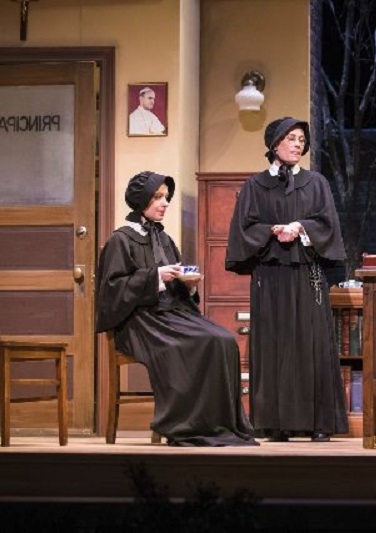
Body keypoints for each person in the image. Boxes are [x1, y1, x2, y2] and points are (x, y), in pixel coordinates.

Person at [96, 171, 257, 447]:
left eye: (167, 197)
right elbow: (112, 291)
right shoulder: (120, 240)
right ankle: (186, 426)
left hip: (172, 314)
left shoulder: (165, 239)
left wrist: (189, 286)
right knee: (192, 344)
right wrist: (155, 277)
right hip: (140, 320)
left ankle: (217, 424)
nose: (165, 203)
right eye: (158, 197)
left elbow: (178, 287)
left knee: (223, 340)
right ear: (142, 199)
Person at [225, 116, 349, 442]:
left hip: (308, 273)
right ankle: (275, 424)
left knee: (312, 345)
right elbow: (244, 229)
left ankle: (318, 423)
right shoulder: (255, 186)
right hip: (270, 275)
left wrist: (301, 227)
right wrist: (271, 230)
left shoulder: (316, 183)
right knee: (274, 345)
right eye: (291, 138)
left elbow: (328, 225)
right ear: (275, 143)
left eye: (301, 140)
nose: (298, 145)